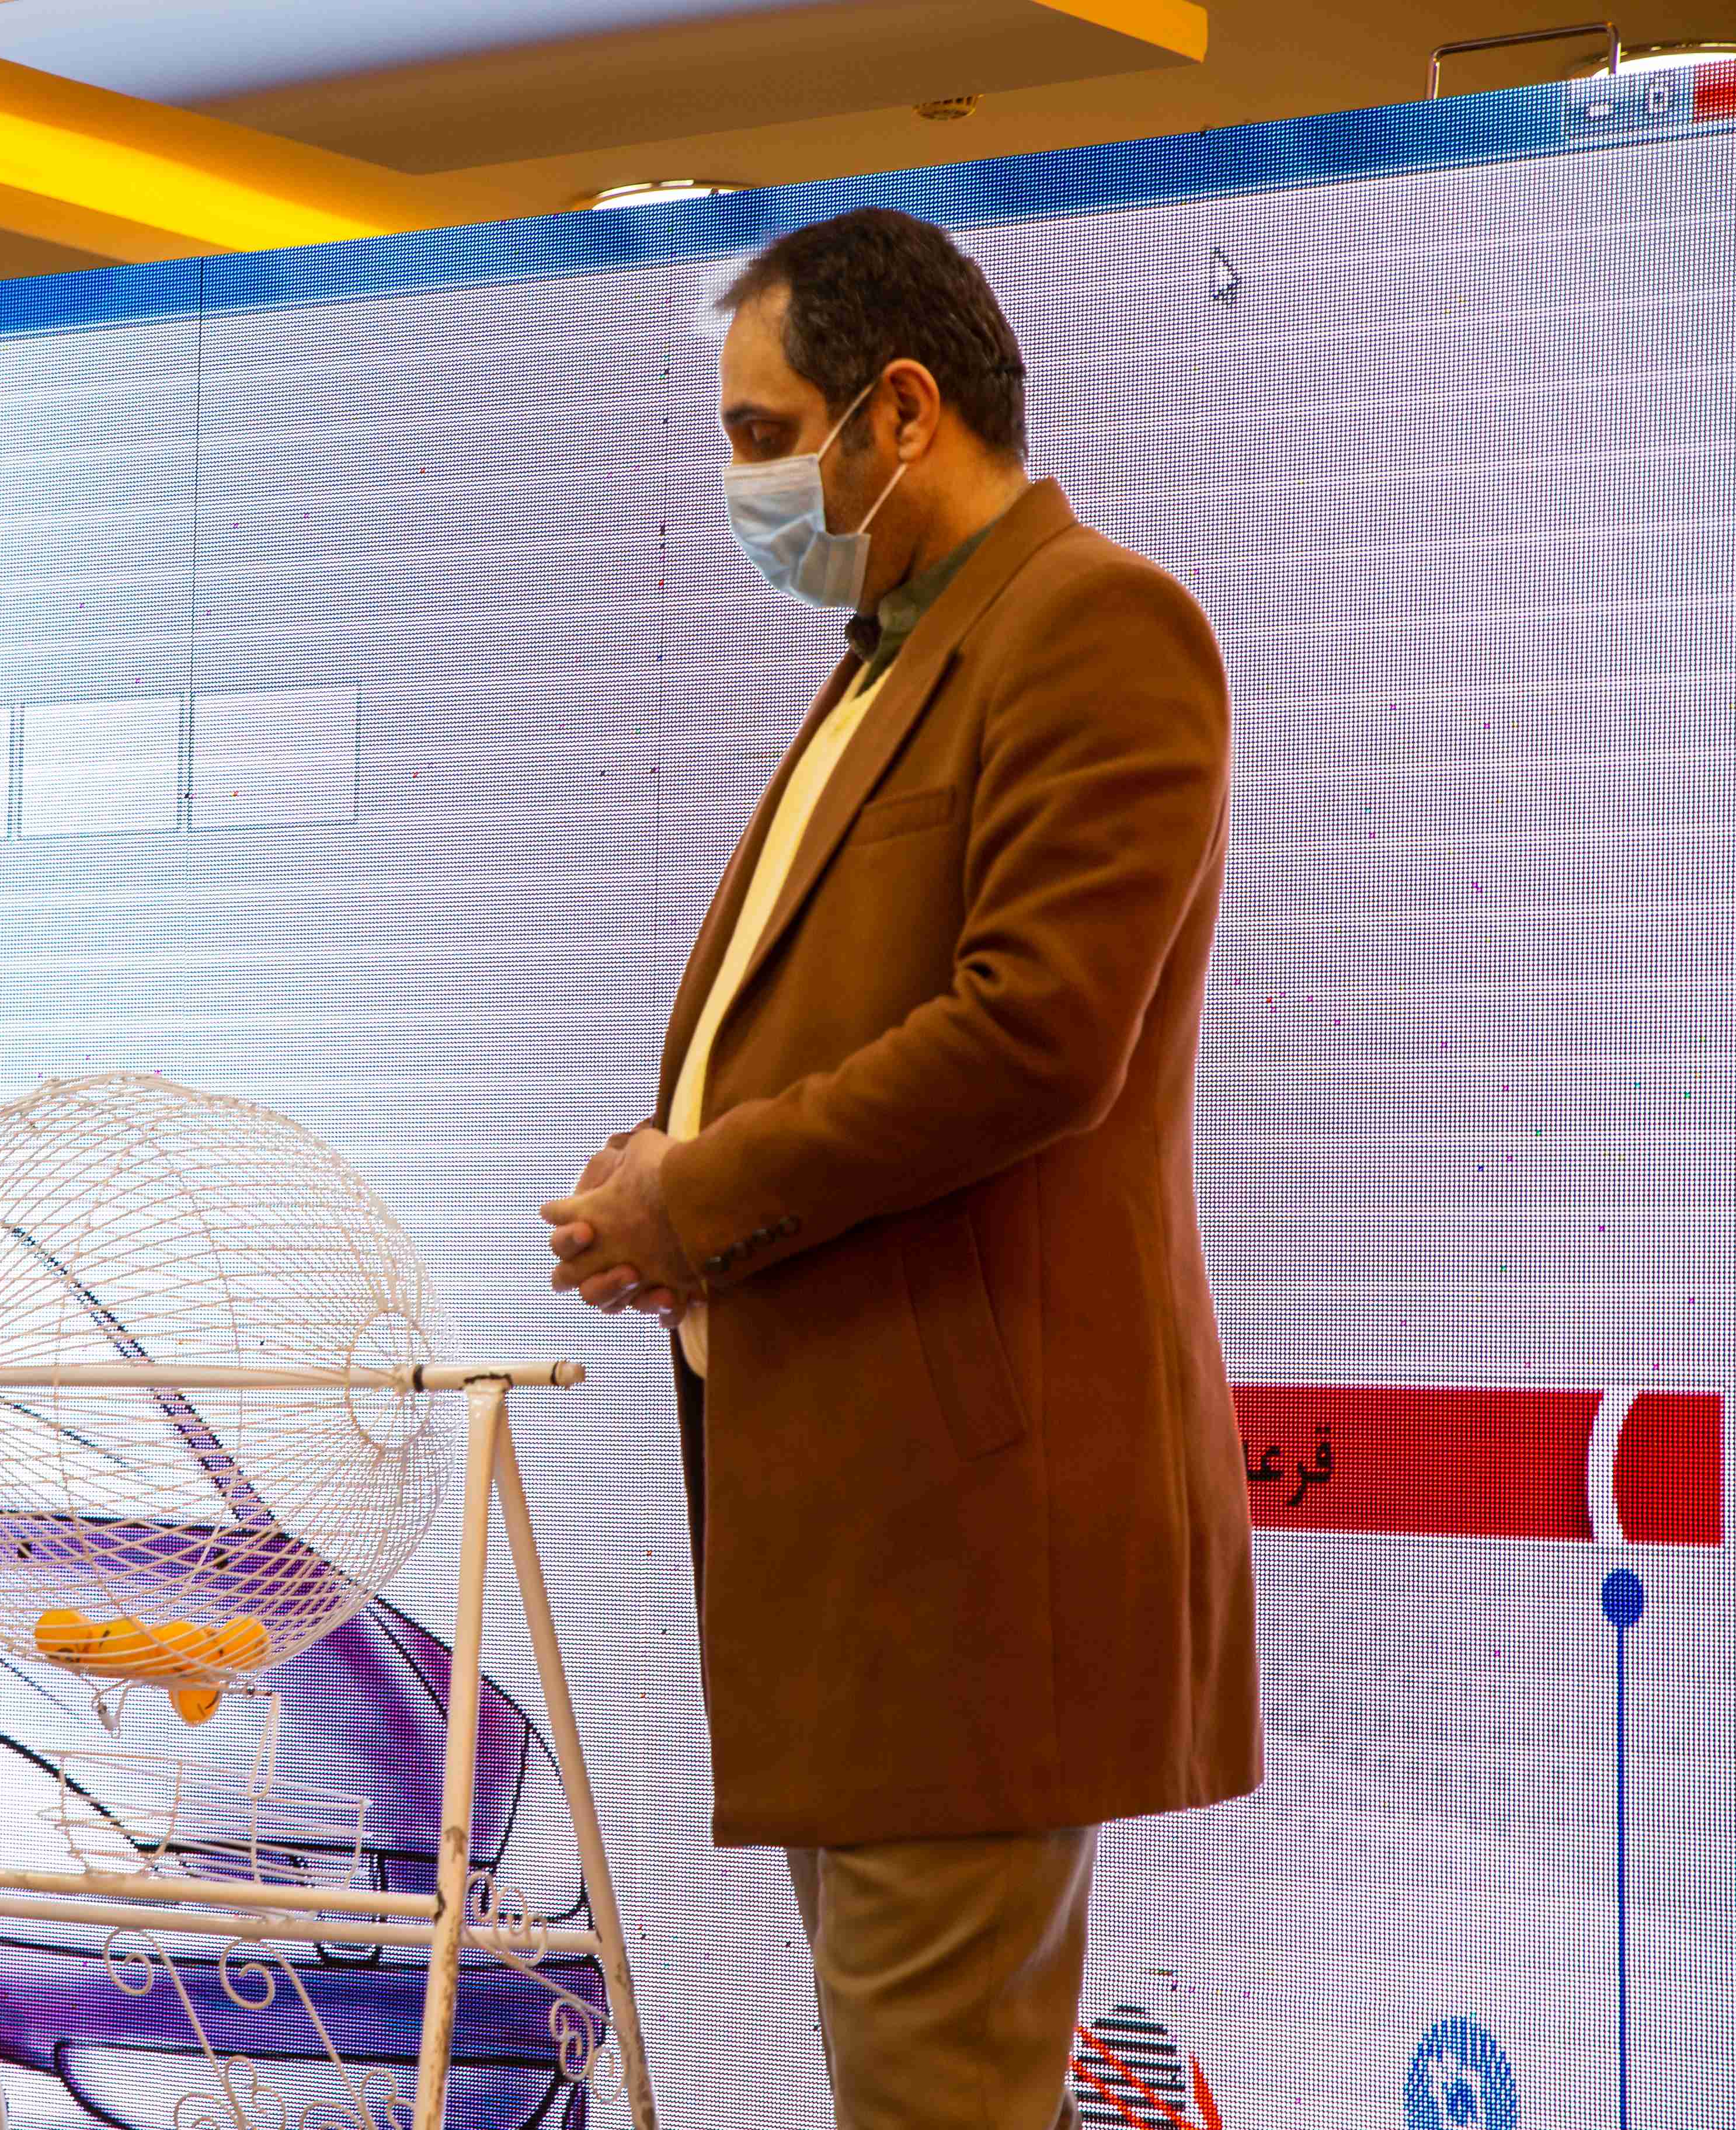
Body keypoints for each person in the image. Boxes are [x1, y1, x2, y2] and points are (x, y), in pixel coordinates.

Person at [541, 207, 1260, 2129]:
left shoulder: (1092, 624)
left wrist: (700, 1198)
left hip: (969, 1547)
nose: (741, 483)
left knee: (933, 2095)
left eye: (765, 434)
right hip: (875, 1539)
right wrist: (673, 1172)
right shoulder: (903, 644)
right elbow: (848, 1006)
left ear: (906, 410)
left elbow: (1033, 1038)